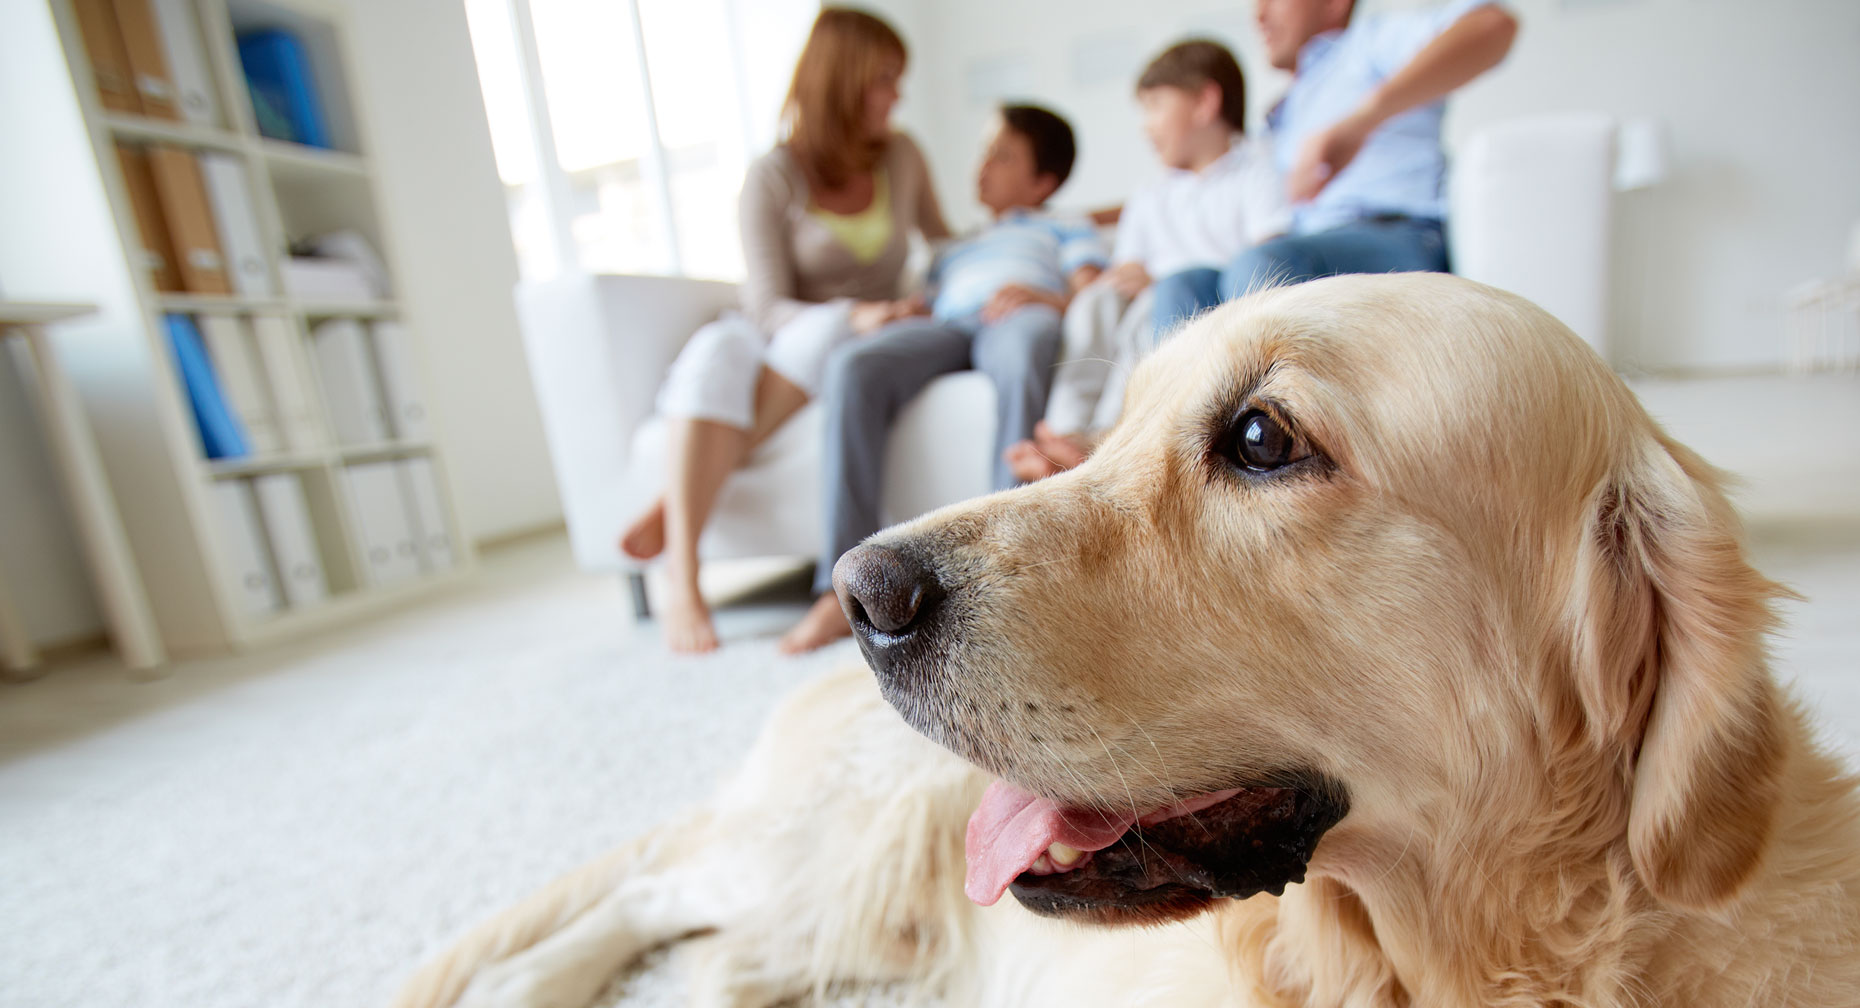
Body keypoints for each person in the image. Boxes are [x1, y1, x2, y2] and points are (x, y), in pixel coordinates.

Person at [618, 7, 949, 653]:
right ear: (843, 81)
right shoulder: (773, 175)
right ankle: (682, 578)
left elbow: (944, 243)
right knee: (715, 348)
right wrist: (854, 312)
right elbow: (766, 304)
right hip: (789, 332)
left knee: (832, 338)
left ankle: (672, 506)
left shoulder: (902, 156)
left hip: (856, 339)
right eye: (884, 78)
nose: (896, 95)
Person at [779, 104, 1106, 653]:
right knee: (854, 365)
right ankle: (834, 592)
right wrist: (908, 310)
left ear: (1043, 179)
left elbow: (1093, 287)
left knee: (1028, 345)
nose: (983, 165)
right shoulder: (954, 248)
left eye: (1003, 155)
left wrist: (1044, 297)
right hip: (947, 325)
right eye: (985, 151)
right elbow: (928, 301)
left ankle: (1003, 570)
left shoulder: (1065, 226)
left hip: (1016, 316)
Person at [1004, 39, 1289, 483]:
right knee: (1096, 304)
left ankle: (1110, 436)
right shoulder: (1151, 193)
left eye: (1155, 106)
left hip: (1192, 303)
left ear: (1204, 103)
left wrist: (1151, 280)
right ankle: (1064, 431)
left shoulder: (1257, 170)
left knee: (1147, 311)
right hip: (1142, 296)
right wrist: (1122, 278)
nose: (1145, 126)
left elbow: (1267, 260)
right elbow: (1126, 267)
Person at [1151, 0, 1519, 329]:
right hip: (1302, 250)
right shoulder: (1285, 110)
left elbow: (1492, 25)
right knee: (1182, 287)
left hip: (1397, 236)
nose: (1259, 14)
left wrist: (1360, 123)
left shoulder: (1367, 46)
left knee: (1262, 267)